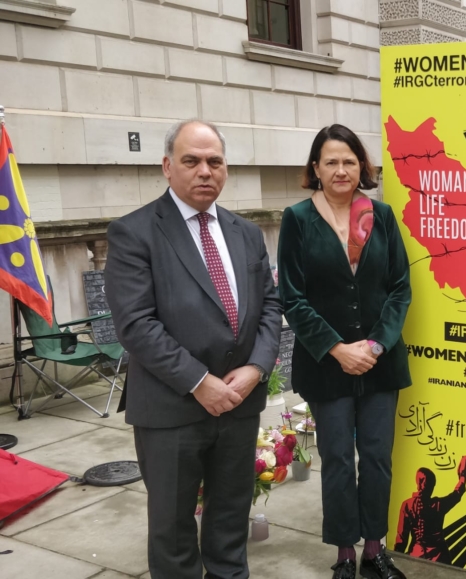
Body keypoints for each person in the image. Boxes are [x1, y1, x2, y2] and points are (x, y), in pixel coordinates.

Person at [106, 119, 282, 579]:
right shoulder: (134, 232)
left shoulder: (245, 232)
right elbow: (136, 324)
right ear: (167, 166)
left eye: (215, 161)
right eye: (192, 161)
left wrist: (257, 368)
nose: (205, 171)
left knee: (229, 526)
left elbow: (269, 305)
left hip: (239, 406)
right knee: (173, 534)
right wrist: (200, 383)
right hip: (172, 409)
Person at [278, 124, 412, 579]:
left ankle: (374, 549)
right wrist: (338, 349)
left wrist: (374, 345)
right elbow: (292, 299)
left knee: (376, 456)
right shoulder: (297, 219)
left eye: (349, 161)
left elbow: (399, 290)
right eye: (331, 161)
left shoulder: (381, 215)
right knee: (336, 458)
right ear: (315, 168)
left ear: (362, 167)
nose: (340, 170)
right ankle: (344, 555)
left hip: (380, 362)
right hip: (326, 364)